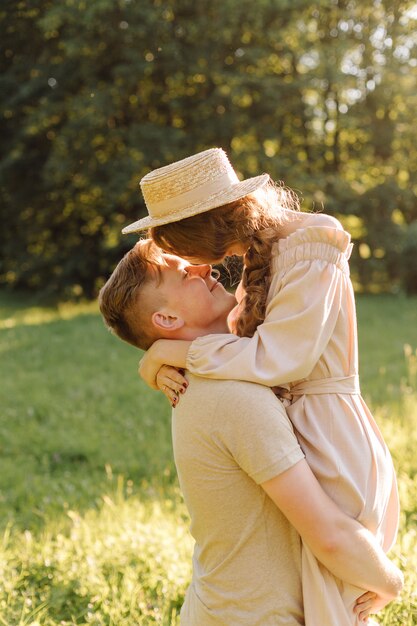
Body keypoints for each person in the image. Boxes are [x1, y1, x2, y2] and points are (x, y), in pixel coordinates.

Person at [122, 148, 401, 625]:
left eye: (181, 250)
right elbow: (239, 353)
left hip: (330, 432)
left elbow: (279, 358)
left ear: (203, 229)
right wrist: (154, 361)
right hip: (304, 424)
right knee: (318, 589)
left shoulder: (312, 243)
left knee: (334, 593)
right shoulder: (266, 253)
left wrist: (177, 352)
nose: (197, 267)